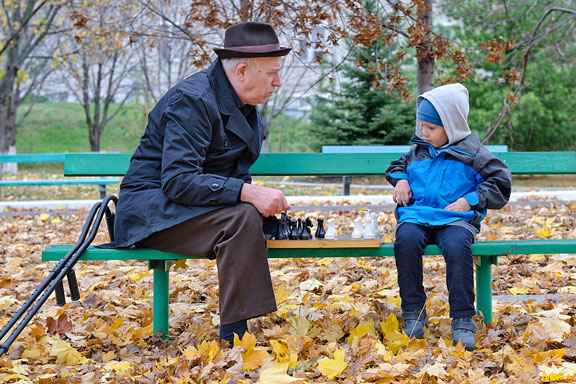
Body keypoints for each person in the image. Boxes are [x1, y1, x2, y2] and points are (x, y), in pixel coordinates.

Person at [109, 22, 292, 345]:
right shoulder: (192, 100)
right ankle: (234, 337)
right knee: (242, 219)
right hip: (151, 212)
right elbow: (178, 180)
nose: (278, 82)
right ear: (242, 72)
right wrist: (248, 193)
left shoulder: (247, 108)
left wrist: (251, 199)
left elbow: (233, 173)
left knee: (249, 218)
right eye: (272, 73)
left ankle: (236, 333)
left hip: (187, 210)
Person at [385, 83, 512, 350]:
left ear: (451, 126)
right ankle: (413, 312)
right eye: (422, 126)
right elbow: (397, 166)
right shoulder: (418, 149)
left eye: (431, 128)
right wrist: (401, 180)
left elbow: (500, 181)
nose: (424, 133)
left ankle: (463, 318)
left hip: (455, 219)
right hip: (418, 216)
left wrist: (470, 200)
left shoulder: (473, 153)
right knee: (405, 239)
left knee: (456, 246)